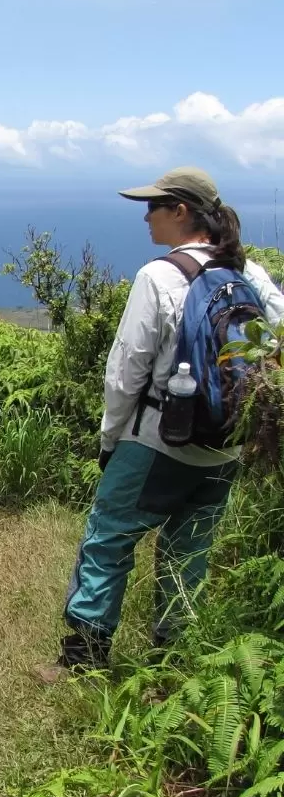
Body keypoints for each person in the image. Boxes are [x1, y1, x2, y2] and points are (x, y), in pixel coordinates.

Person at [58, 167, 284, 672]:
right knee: (189, 552)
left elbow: (124, 372)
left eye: (153, 207)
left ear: (181, 211)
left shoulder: (159, 276)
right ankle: (174, 662)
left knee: (108, 539)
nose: (146, 216)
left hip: (159, 438)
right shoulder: (250, 273)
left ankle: (84, 660)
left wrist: (110, 438)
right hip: (226, 445)